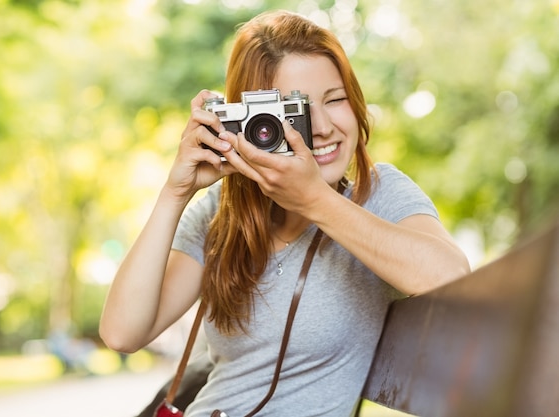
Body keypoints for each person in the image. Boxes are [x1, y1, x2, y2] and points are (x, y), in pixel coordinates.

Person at [100, 10, 470, 416]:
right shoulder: (219, 214)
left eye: (336, 99)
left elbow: (450, 278)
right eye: (300, 110)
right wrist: (176, 192)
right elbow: (121, 333)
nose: (325, 126)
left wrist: (315, 200)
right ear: (256, 122)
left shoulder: (377, 194)